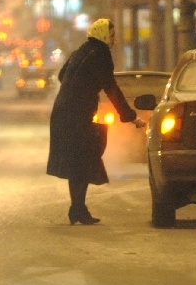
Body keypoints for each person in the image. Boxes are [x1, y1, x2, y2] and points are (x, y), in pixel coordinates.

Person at [47, 18, 146, 225]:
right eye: (111, 35)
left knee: (79, 162)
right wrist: (130, 116)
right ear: (102, 35)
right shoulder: (101, 55)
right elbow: (111, 88)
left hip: (62, 113)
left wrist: (82, 88)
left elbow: (62, 75)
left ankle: (77, 209)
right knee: (84, 159)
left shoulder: (81, 50)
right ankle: (78, 209)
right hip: (76, 116)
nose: (114, 40)